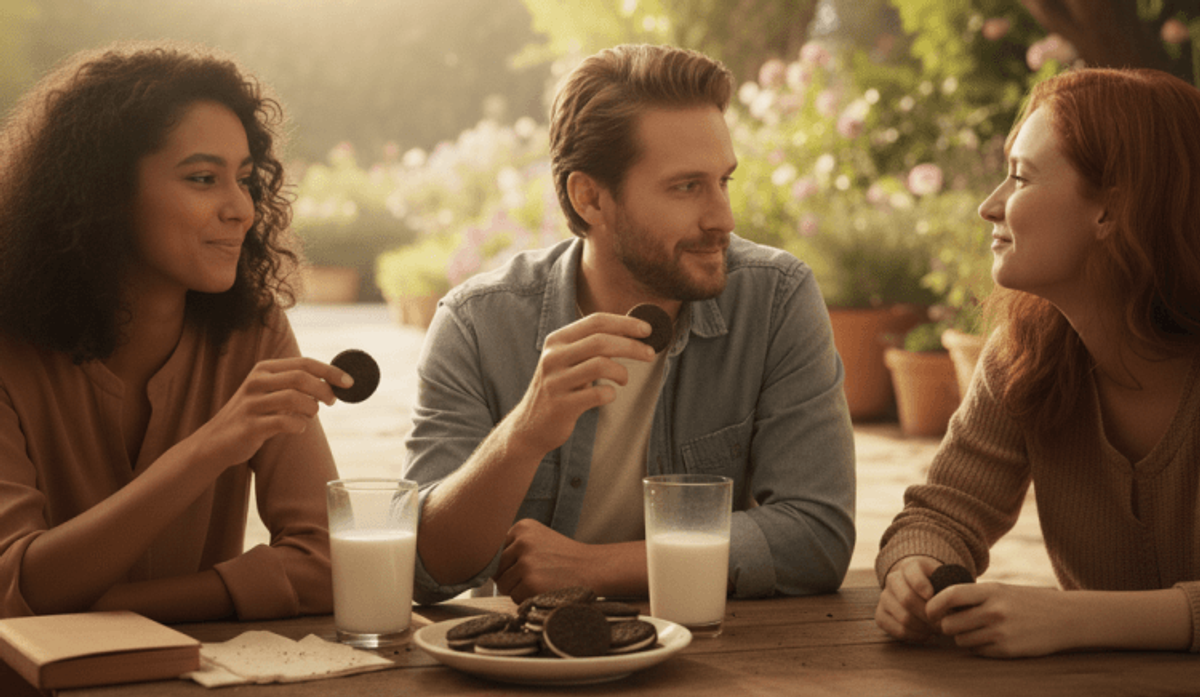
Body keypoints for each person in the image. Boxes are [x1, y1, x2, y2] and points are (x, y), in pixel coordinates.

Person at [404, 44, 856, 605]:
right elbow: (427, 568)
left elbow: (818, 536)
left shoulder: (775, 298)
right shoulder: (476, 324)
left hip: (713, 659)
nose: (723, 218)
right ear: (590, 197)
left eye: (724, 181)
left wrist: (599, 568)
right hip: (524, 671)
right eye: (687, 186)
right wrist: (523, 435)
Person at [0, 42, 348, 627]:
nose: (241, 208)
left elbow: (329, 562)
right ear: (102, 193)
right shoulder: (10, 350)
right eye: (204, 178)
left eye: (244, 179)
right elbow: (15, 582)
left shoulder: (253, 333)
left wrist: (115, 606)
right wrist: (214, 445)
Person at [874, 67, 1200, 658]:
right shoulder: (1029, 352)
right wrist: (915, 570)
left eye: (1020, 179)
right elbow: (942, 514)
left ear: (1111, 213)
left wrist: (1076, 620)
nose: (988, 206)